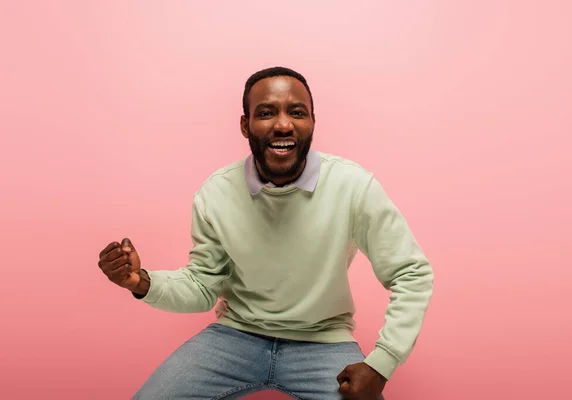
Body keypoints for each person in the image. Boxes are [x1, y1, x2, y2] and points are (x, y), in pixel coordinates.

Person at [97, 66, 434, 400]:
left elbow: (411, 273)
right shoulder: (215, 194)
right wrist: (140, 282)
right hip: (235, 337)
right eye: (267, 113)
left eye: (297, 112)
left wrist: (380, 364)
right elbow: (202, 287)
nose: (283, 124)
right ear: (246, 125)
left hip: (323, 340)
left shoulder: (354, 186)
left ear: (312, 122)